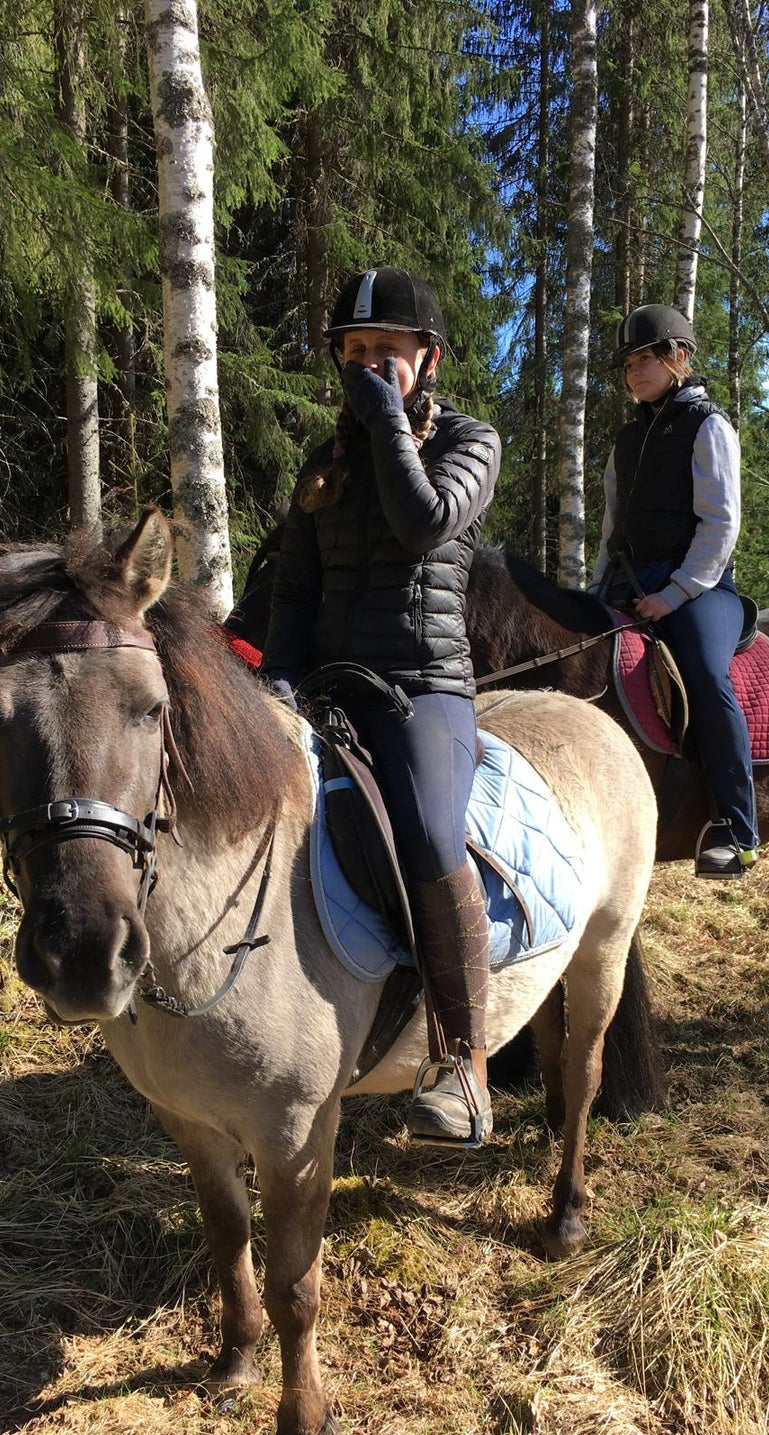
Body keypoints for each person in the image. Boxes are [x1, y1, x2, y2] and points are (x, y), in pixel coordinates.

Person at [261, 266, 501, 1144]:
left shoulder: (471, 441)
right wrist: (277, 681)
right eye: (353, 352)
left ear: (427, 358)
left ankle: (463, 1062)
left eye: (385, 352)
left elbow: (424, 522)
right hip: (324, 686)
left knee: (431, 836)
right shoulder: (323, 464)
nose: (365, 366)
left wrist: (386, 424)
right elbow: (294, 591)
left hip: (421, 689)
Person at [589, 303, 759, 878]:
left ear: (678, 357)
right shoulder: (626, 439)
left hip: (700, 587)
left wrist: (677, 592)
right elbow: (611, 528)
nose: (634, 372)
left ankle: (736, 827)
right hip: (627, 580)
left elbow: (721, 524)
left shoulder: (708, 425)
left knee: (706, 677)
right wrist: (596, 590)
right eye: (628, 364)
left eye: (645, 359)